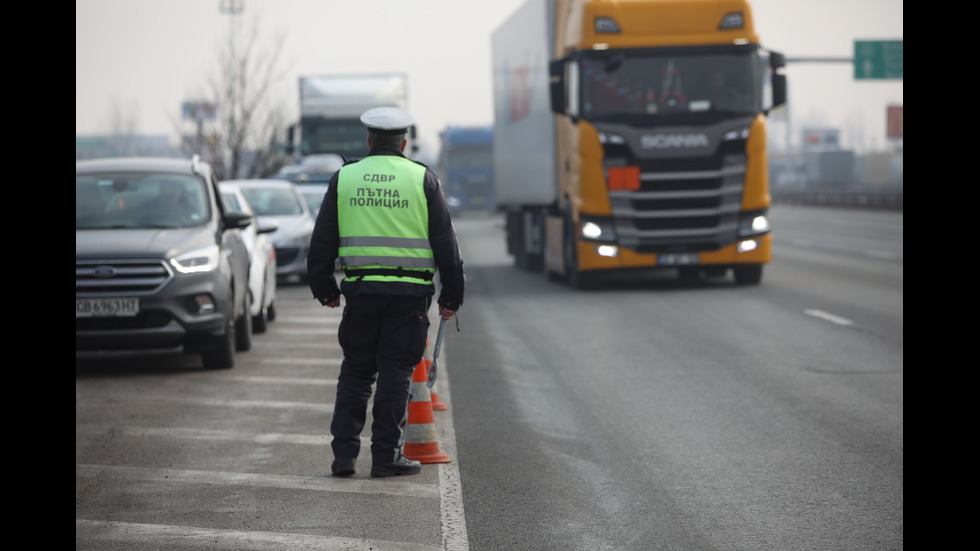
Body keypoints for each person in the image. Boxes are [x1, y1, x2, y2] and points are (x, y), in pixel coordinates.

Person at [307, 106, 465, 478]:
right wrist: (451, 296)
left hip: (361, 293)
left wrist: (324, 288)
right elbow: (447, 245)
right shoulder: (422, 179)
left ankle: (343, 456)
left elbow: (322, 242)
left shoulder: (344, 178)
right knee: (396, 373)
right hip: (408, 298)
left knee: (356, 372)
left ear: (369, 141)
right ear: (404, 143)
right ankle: (385, 456)